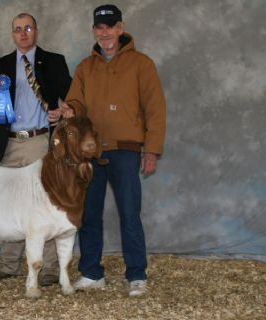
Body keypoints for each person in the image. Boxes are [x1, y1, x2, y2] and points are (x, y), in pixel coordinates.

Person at [61, 4, 166, 297]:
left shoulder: (142, 64)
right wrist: (70, 110)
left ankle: (136, 275)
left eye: (110, 26)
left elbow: (155, 110)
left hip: (127, 151)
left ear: (120, 28)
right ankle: (92, 273)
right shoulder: (85, 67)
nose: (104, 32)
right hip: (91, 153)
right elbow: (76, 103)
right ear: (94, 30)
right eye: (99, 27)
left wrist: (151, 149)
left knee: (129, 214)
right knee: (88, 214)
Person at [0, 13, 72, 286]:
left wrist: (65, 111)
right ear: (12, 34)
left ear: (36, 31)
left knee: (43, 205)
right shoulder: (0, 64)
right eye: (17, 29)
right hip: (8, 142)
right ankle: (9, 265)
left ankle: (50, 269)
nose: (23, 33)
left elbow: (73, 97)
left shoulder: (54, 61)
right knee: (10, 203)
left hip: (40, 141)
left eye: (27, 28)